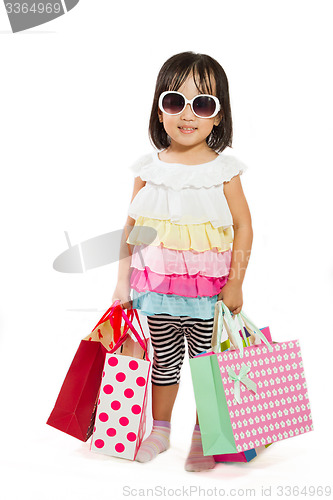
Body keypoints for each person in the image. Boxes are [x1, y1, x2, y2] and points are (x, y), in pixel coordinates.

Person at [112, 51, 253, 472]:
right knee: (165, 361)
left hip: (208, 294)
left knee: (208, 365)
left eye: (203, 104)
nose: (187, 114)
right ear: (159, 109)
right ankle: (160, 429)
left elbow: (244, 227)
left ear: (217, 116)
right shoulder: (149, 168)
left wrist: (236, 282)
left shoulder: (224, 171)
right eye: (175, 101)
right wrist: (123, 283)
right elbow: (132, 230)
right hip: (155, 289)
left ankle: (205, 433)